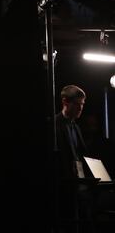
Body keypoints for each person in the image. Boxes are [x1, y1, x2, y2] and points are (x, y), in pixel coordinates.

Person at [55, 85, 91, 230]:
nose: (81, 108)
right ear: (65, 102)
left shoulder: (76, 127)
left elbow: (81, 154)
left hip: (79, 185)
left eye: (82, 104)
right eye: (77, 104)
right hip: (65, 186)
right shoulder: (54, 125)